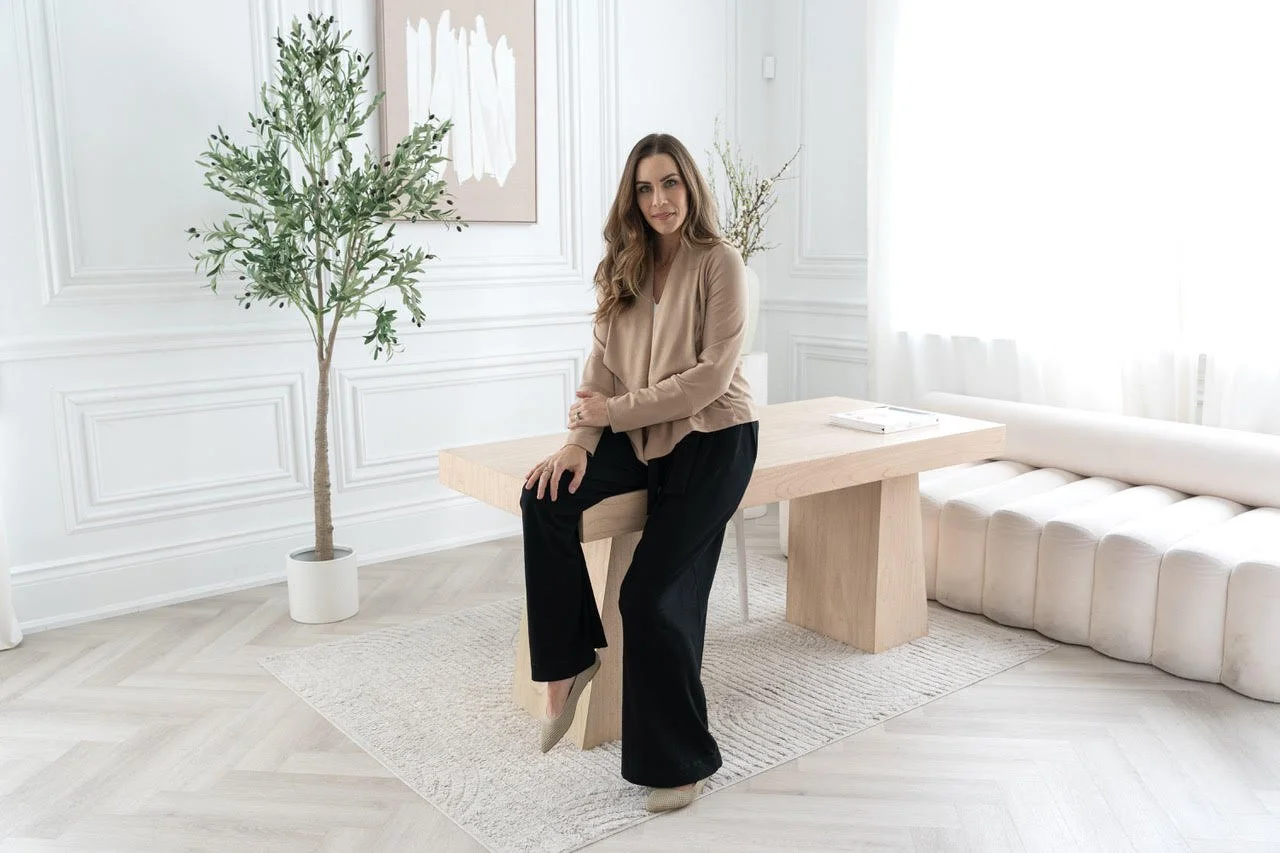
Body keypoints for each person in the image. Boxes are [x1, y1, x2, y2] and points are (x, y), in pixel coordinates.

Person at [519, 132, 758, 813]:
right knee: (544, 495)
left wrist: (613, 413)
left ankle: (682, 760)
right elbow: (600, 368)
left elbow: (710, 379)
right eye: (646, 188)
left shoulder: (720, 262)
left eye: (670, 183)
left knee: (649, 595)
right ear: (632, 198)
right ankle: (568, 663)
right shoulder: (619, 268)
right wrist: (578, 442)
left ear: (690, 186)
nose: (660, 200)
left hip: (714, 437)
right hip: (640, 432)